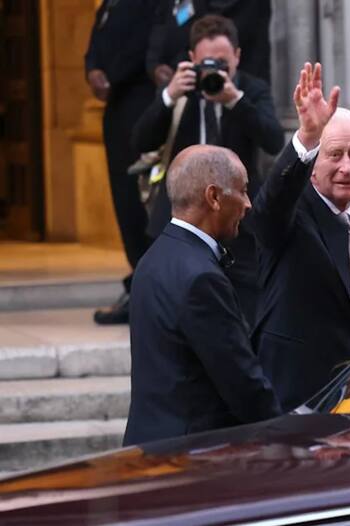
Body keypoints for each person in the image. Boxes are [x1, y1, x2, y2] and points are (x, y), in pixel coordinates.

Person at [251, 63, 350, 411]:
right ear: (312, 166)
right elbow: (269, 208)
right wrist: (308, 137)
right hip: (300, 394)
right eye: (334, 155)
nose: (347, 167)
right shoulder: (293, 215)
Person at [123, 145, 281, 446]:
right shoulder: (201, 277)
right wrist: (283, 432)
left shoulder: (153, 258)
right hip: (189, 454)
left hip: (149, 442)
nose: (248, 204)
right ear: (214, 197)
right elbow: (240, 381)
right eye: (243, 191)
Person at [131, 14, 284, 325]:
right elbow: (140, 140)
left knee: (246, 311)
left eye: (223, 64)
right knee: (175, 305)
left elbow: (273, 139)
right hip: (180, 217)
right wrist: (168, 96)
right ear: (191, 60)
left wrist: (234, 100)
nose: (214, 72)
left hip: (236, 218)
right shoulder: (181, 91)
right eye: (206, 64)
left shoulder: (250, 90)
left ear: (238, 57)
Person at [85, 0, 158, 325]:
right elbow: (96, 45)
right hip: (116, 110)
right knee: (122, 197)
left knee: (140, 201)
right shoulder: (108, 5)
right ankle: (136, 281)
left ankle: (148, 289)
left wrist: (111, 75)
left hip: (140, 105)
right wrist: (93, 71)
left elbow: (144, 44)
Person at [147, 0, 272, 87]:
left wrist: (179, 64)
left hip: (233, 85)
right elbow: (166, 19)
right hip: (182, 82)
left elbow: (216, 32)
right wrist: (154, 63)